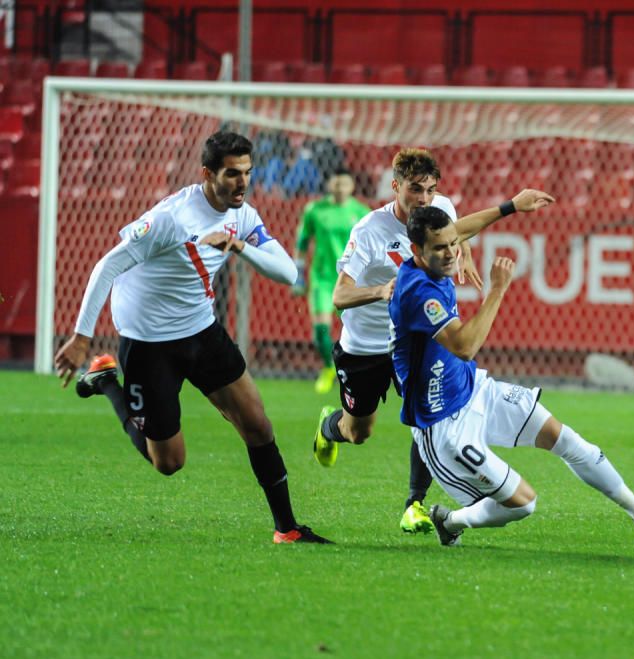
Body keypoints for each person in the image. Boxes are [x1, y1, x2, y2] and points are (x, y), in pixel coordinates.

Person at [53, 131, 331, 545]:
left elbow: (288, 273)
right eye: (232, 174)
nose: (242, 183)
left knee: (257, 425)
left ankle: (287, 528)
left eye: (248, 173)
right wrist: (80, 338)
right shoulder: (171, 218)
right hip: (148, 343)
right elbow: (105, 268)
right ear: (207, 173)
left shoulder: (243, 216)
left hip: (201, 331)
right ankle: (107, 382)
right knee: (169, 462)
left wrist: (239, 247)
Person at [389, 205, 634, 546]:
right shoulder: (418, 291)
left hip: (474, 389)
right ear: (417, 250)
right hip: (443, 425)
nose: (451, 253)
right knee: (523, 504)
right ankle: (450, 520)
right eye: (440, 248)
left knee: (568, 440)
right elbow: (465, 346)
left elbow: (463, 228)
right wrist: (498, 289)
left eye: (453, 243)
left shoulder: (439, 255)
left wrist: (511, 204)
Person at [311, 147, 555, 535]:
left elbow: (457, 229)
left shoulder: (439, 208)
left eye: (429, 189)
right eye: (414, 189)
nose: (423, 199)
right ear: (395, 186)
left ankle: (415, 504)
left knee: (430, 412)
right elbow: (340, 296)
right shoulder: (369, 231)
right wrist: (380, 291)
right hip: (367, 345)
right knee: (359, 431)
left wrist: (478, 241)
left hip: (413, 340)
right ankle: (329, 428)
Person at [292, 168, 370, 394]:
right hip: (323, 279)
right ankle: (328, 368)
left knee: (355, 330)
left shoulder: (362, 212)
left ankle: (353, 371)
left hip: (351, 280)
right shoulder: (315, 210)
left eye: (344, 184)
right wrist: (298, 278)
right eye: (336, 184)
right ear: (329, 186)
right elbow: (302, 244)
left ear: (352, 186)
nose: (340, 188)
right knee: (320, 330)